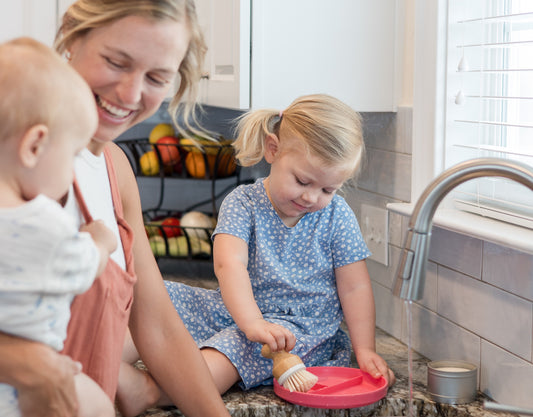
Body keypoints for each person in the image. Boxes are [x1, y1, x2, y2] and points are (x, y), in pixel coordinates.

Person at [0, 2, 231, 417]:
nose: (130, 94)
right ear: (72, 35)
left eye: (157, 77)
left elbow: (157, 327)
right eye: (115, 61)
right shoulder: (12, 155)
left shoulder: (114, 167)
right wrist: (29, 366)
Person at [119, 93, 396, 414]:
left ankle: (148, 391)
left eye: (327, 189)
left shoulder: (337, 214)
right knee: (162, 297)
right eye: (303, 180)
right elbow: (229, 265)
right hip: (235, 309)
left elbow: (355, 287)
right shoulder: (243, 203)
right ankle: (101, 361)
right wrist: (251, 321)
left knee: (239, 346)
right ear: (273, 149)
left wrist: (365, 349)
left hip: (298, 331)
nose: (311, 197)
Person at [0, 37, 116, 417]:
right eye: (70, 156)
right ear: (35, 146)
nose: (70, 173)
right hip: (24, 394)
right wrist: (99, 241)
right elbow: (85, 267)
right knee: (98, 405)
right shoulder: (44, 224)